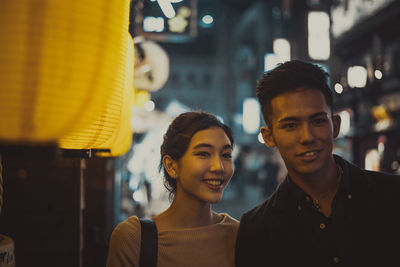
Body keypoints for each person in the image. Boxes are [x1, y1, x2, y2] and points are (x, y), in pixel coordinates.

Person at [235, 60, 400, 267]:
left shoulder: (392, 196)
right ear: (269, 137)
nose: (307, 136)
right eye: (291, 125)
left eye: (318, 121)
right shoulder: (256, 228)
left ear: (335, 125)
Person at [107, 111, 239, 267]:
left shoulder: (240, 236)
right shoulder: (134, 239)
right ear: (171, 166)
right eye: (204, 153)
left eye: (226, 155)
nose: (219, 167)